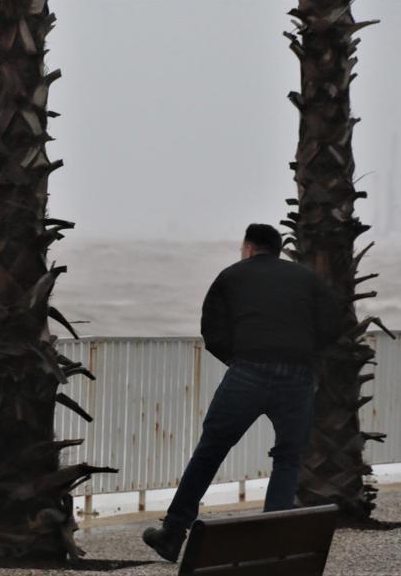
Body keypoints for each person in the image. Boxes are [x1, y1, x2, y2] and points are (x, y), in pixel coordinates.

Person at [142, 223, 343, 562]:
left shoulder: (231, 276)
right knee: (288, 458)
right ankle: (272, 546)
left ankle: (173, 534)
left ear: (249, 248)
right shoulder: (307, 279)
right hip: (296, 377)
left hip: (247, 373)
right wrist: (305, 358)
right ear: (277, 250)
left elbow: (212, 329)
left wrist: (238, 360)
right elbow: (333, 324)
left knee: (210, 452)